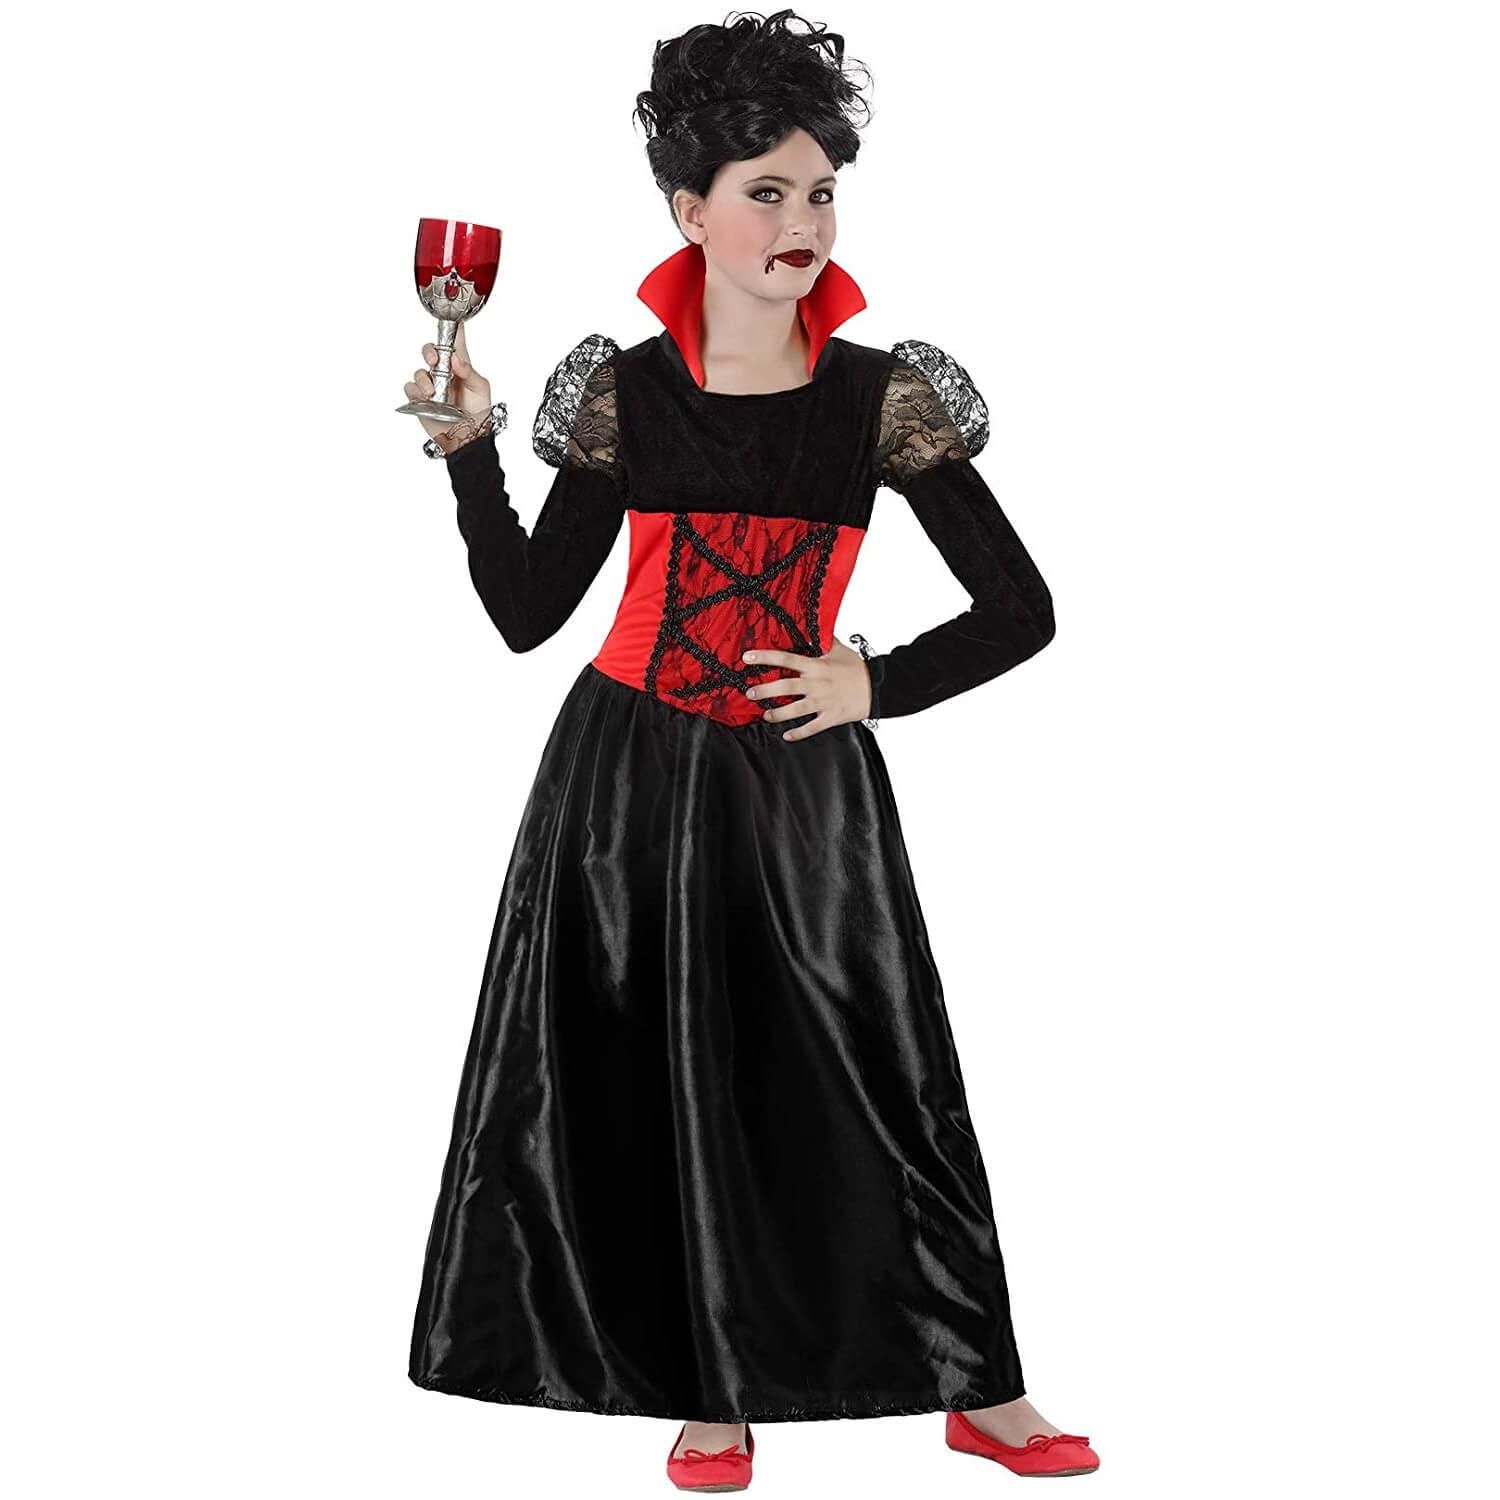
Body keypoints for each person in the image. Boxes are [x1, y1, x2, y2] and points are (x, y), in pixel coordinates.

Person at [402, 8, 1098, 1487]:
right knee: (654, 1076)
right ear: (689, 211)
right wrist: (469, 456)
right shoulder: (630, 392)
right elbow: (528, 614)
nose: (801, 223)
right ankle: (706, 1389)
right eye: (766, 191)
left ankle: (978, 1385)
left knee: (880, 1073)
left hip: (804, 791)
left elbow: (1023, 610)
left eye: (821, 191)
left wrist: (873, 683)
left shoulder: (876, 398)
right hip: (627, 783)